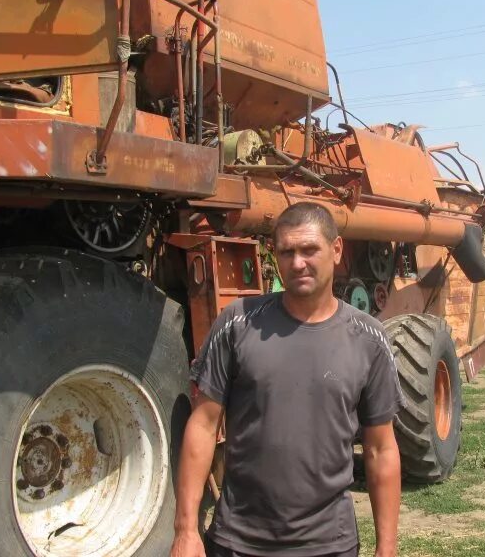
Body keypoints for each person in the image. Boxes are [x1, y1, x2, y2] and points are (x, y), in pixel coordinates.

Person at [170, 202, 403, 557]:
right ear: (274, 256)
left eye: (309, 250)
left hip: (329, 545)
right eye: (287, 252)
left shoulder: (369, 339)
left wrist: (387, 548)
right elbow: (202, 426)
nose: (297, 263)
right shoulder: (237, 323)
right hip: (238, 541)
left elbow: (381, 449)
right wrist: (186, 530)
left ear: (336, 250)